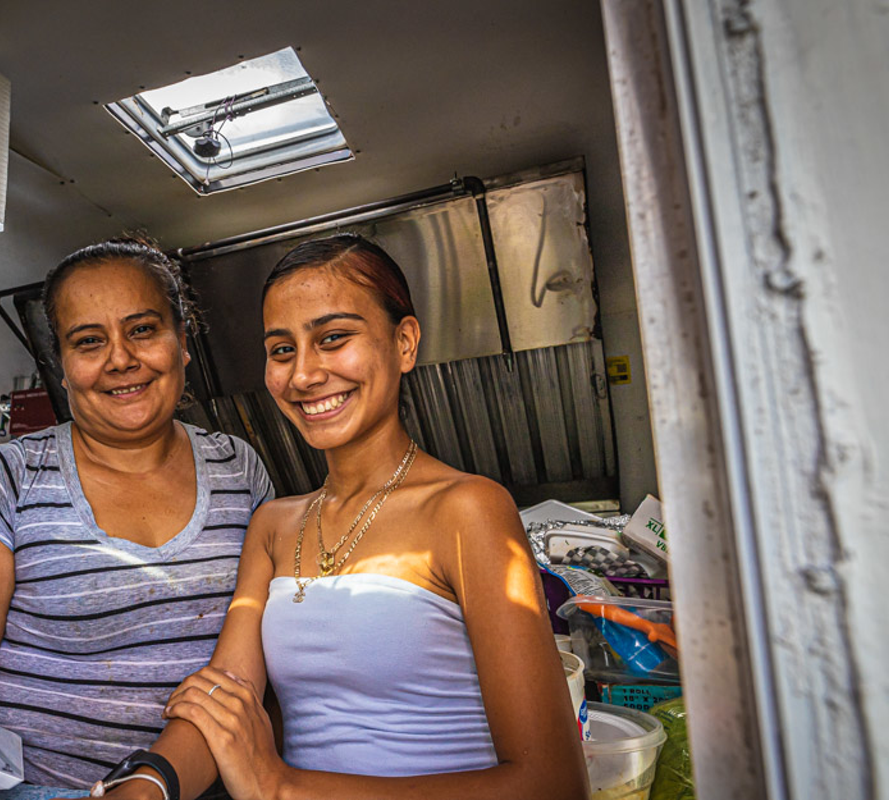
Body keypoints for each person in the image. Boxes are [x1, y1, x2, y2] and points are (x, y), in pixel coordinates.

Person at [101, 234, 588, 800]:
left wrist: (281, 786)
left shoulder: (468, 509)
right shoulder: (275, 527)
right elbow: (224, 699)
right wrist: (144, 785)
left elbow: (551, 785)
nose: (303, 375)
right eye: (282, 350)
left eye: (332, 339)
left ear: (404, 343)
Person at [0, 237, 274, 799]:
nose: (121, 358)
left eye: (142, 329)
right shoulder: (5, 482)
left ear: (182, 342)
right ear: (63, 367)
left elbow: (260, 667)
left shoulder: (239, 468)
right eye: (89, 341)